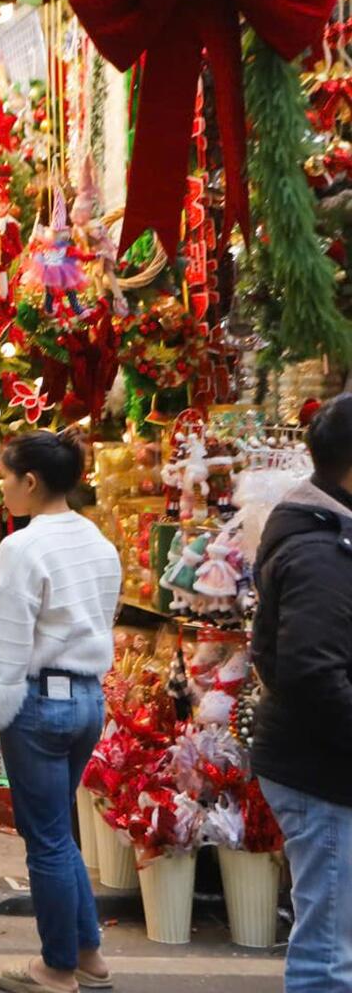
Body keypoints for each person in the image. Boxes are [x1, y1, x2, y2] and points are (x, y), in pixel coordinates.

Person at [0, 431, 120, 993]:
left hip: (39, 703)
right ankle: (87, 954)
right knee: (61, 833)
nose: (2, 487)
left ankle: (56, 967)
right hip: (87, 700)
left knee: (47, 839)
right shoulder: (98, 542)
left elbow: (6, 646)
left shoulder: (22, 549)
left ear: (30, 481)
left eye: (5, 476)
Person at [250, 393, 352, 993]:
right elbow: (314, 673)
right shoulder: (321, 549)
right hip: (323, 770)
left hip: (322, 762)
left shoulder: (329, 535)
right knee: (327, 950)